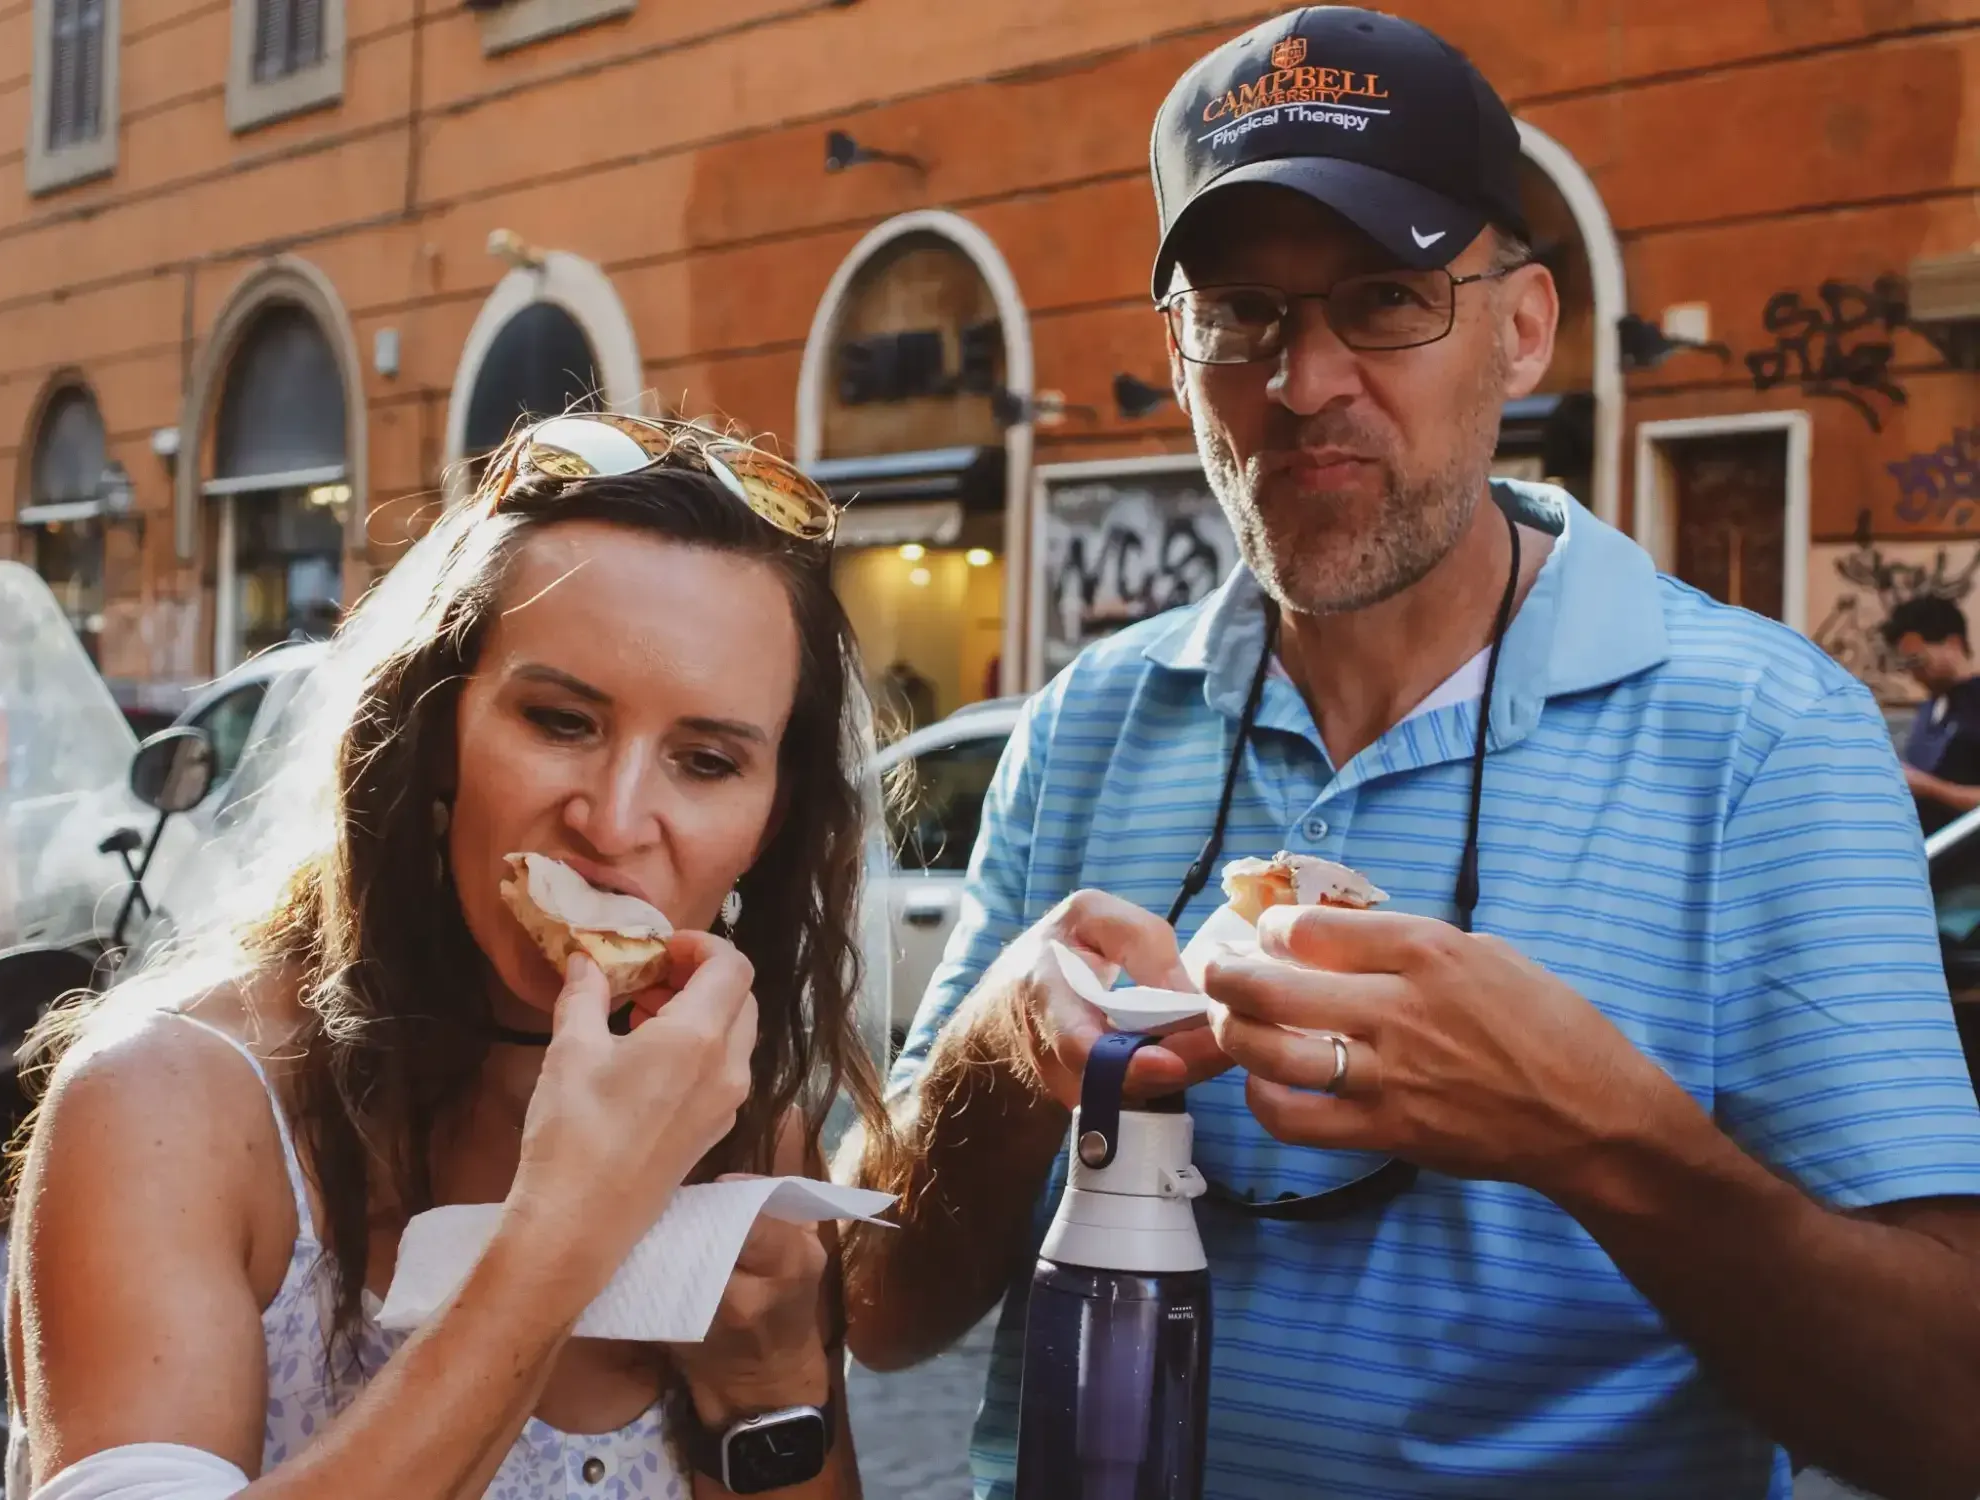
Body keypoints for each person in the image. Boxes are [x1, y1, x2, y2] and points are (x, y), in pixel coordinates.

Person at [841, 9, 1980, 1499]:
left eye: (1384, 298)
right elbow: (876, 1310)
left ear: (1523, 327)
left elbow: (1947, 1420)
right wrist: (1005, 1048)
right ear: (1175, 354)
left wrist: (1599, 1138)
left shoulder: (1765, 737)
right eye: (1241, 313)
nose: (1304, 381)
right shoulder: (1089, 724)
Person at [7, 413, 890, 1500]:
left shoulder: (743, 1133)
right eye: (561, 722)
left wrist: (772, 1392)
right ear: (432, 736)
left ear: (769, 820)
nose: (614, 824)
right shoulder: (170, 1102)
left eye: (705, 761)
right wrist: (568, 1228)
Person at [1883, 593, 1980, 832]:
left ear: (1953, 644)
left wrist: (1929, 787)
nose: (1914, 674)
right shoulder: (1930, 708)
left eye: (1918, 660)